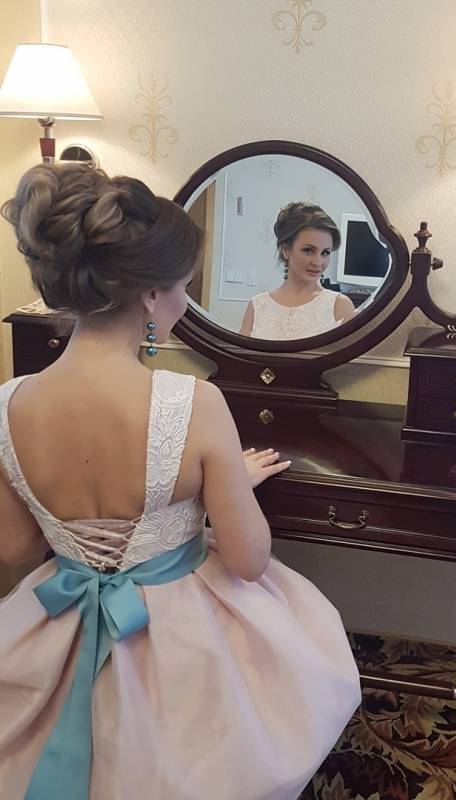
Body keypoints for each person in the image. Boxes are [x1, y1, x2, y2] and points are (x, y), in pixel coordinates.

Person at [0, 164, 362, 800]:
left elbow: (17, 549)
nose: (184, 302)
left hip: (56, 621)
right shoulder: (191, 402)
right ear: (148, 295)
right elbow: (248, 561)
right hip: (171, 634)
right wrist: (227, 484)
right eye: (182, 287)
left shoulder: (7, 403)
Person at [239, 202, 356, 339]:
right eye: (308, 250)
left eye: (325, 253)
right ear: (286, 250)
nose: (318, 262)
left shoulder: (340, 306)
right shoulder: (257, 306)